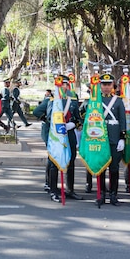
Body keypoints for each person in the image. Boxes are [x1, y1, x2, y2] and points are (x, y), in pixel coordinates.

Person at [39, 74, 83, 203]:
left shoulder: (73, 100)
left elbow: (78, 117)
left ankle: (70, 190)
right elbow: (48, 117)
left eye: (65, 84)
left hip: (69, 135)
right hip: (57, 135)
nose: (64, 87)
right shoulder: (53, 100)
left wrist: (74, 124)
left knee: (71, 162)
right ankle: (53, 190)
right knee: (54, 163)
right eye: (62, 84)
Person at [92, 73, 126, 205]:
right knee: (101, 168)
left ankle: (113, 195)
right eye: (104, 84)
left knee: (114, 168)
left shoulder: (118, 101)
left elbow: (123, 120)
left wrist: (122, 138)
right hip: (100, 138)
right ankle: (101, 195)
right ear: (100, 86)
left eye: (108, 84)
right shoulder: (95, 100)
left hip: (114, 138)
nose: (106, 87)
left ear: (113, 85)